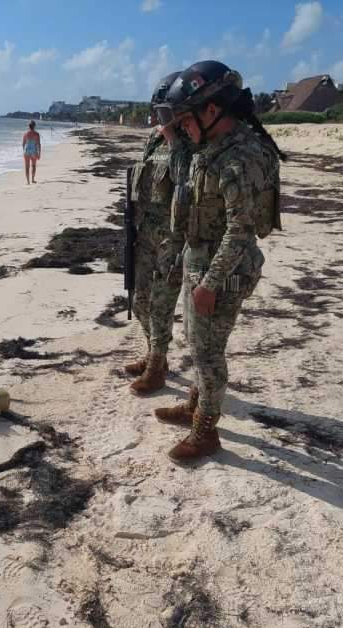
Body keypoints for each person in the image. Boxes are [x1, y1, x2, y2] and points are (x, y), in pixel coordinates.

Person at [151, 60, 286, 463]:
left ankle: (205, 432)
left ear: (212, 111)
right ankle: (196, 405)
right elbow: (185, 176)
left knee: (209, 354)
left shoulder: (240, 158)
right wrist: (173, 136)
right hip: (200, 261)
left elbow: (241, 230)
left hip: (223, 272)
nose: (184, 128)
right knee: (197, 345)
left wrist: (209, 283)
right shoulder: (212, 147)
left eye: (188, 120)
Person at [124, 71, 192, 396]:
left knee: (162, 306)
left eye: (166, 112)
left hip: (171, 238)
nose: (159, 118)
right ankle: (155, 354)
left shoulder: (189, 142)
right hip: (145, 233)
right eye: (158, 112)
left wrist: (174, 138)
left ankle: (156, 367)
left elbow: (186, 180)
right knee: (139, 299)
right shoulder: (153, 139)